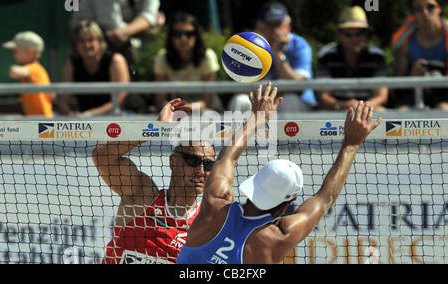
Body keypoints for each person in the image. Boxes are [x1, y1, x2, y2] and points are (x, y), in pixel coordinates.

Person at [177, 82, 382, 264]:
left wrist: (257, 117)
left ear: (254, 182)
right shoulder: (277, 236)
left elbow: (227, 158)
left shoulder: (215, 203)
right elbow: (325, 197)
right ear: (285, 205)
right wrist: (352, 143)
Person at [93, 98, 216, 264]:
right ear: (173, 162)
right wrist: (155, 129)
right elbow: (102, 156)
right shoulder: (143, 197)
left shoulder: (206, 225)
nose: (201, 171)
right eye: (193, 161)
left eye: (208, 164)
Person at [228, 3, 316, 112]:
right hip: (260, 97)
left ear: (289, 24)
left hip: (296, 99)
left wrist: (278, 52)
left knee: (289, 100)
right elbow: (239, 85)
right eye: (269, 24)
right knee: (240, 101)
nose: (275, 29)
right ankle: (244, 130)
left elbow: (298, 85)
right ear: (260, 26)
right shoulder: (251, 45)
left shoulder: (300, 45)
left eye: (278, 23)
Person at [315, 5, 389, 111]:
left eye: (359, 33)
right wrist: (341, 105)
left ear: (366, 34)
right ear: (339, 34)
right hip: (336, 109)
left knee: (383, 112)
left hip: (368, 109)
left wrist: (361, 107)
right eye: (348, 34)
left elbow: (381, 96)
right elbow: (323, 96)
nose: (354, 38)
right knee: (323, 115)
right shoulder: (326, 56)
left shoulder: (377, 57)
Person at [58, 21, 130, 117]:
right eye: (82, 41)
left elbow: (120, 100)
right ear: (76, 45)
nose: (87, 45)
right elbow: (63, 101)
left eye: (91, 40)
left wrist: (89, 114)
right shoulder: (72, 63)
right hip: (85, 122)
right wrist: (70, 114)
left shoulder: (116, 60)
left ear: (100, 41)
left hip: (121, 119)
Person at [153, 12, 222, 112]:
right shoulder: (162, 57)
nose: (183, 39)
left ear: (196, 36)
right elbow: (159, 101)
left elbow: (207, 100)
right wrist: (175, 109)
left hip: (207, 112)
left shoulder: (207, 56)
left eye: (189, 34)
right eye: (177, 34)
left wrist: (187, 107)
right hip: (175, 111)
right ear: (171, 37)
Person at [71, 0, 165, 68]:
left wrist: (135, 29)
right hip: (89, 49)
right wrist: (148, 29)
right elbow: (116, 32)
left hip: (119, 46)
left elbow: (149, 15)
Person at [392, 0, 448, 110]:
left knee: (444, 109)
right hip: (413, 93)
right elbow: (397, 86)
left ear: (439, 8)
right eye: (418, 8)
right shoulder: (405, 42)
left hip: (445, 94)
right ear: (414, 13)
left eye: (430, 6)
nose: (425, 12)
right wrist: (412, 76)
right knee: (401, 112)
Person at [2, 31, 54, 117]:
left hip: (42, 121)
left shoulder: (35, 69)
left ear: (30, 53)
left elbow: (14, 72)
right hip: (35, 119)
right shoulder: (32, 70)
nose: (13, 55)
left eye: (16, 51)